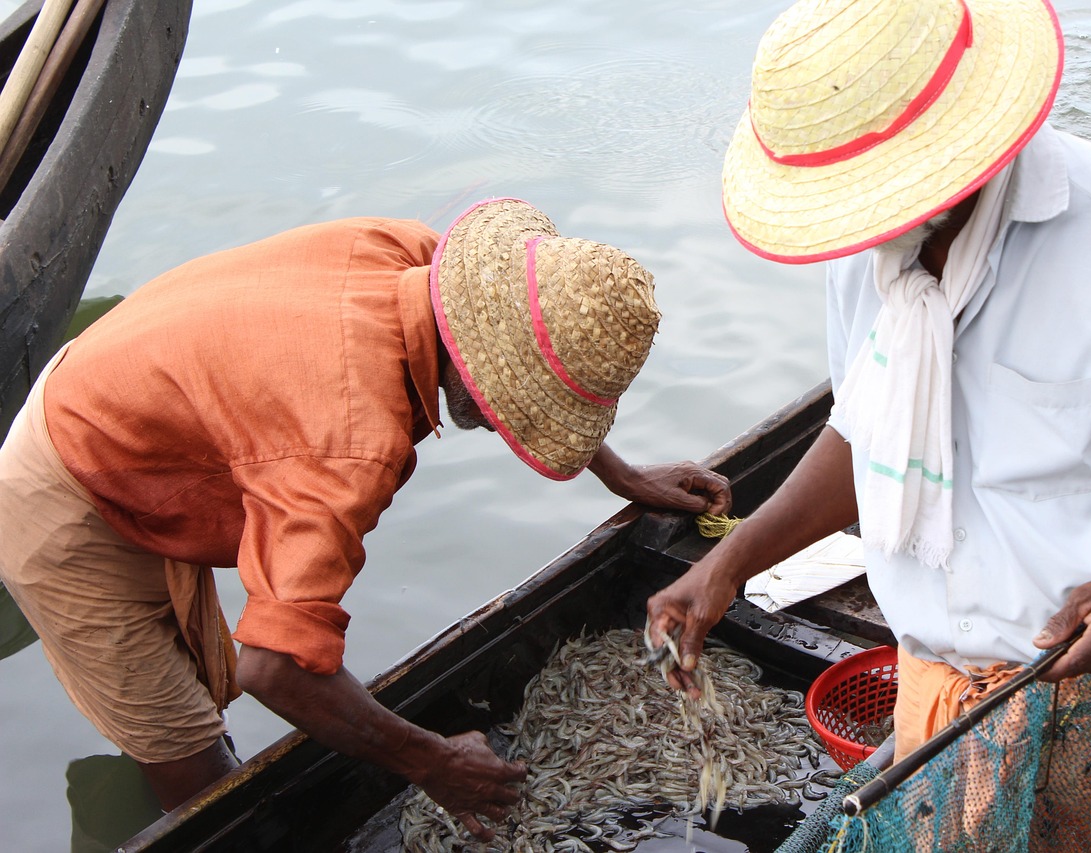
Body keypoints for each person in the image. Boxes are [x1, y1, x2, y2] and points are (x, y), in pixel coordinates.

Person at [646, 0, 1091, 849]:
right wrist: (732, 559)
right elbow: (862, 429)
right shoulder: (866, 252)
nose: (861, 222)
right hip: (937, 690)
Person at [0, 197, 730, 840]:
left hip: (136, 389)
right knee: (189, 753)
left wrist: (624, 474)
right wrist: (433, 761)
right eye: (522, 413)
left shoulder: (416, 257)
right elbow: (274, 667)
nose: (512, 427)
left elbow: (521, 352)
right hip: (69, 489)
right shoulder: (351, 439)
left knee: (199, 681)